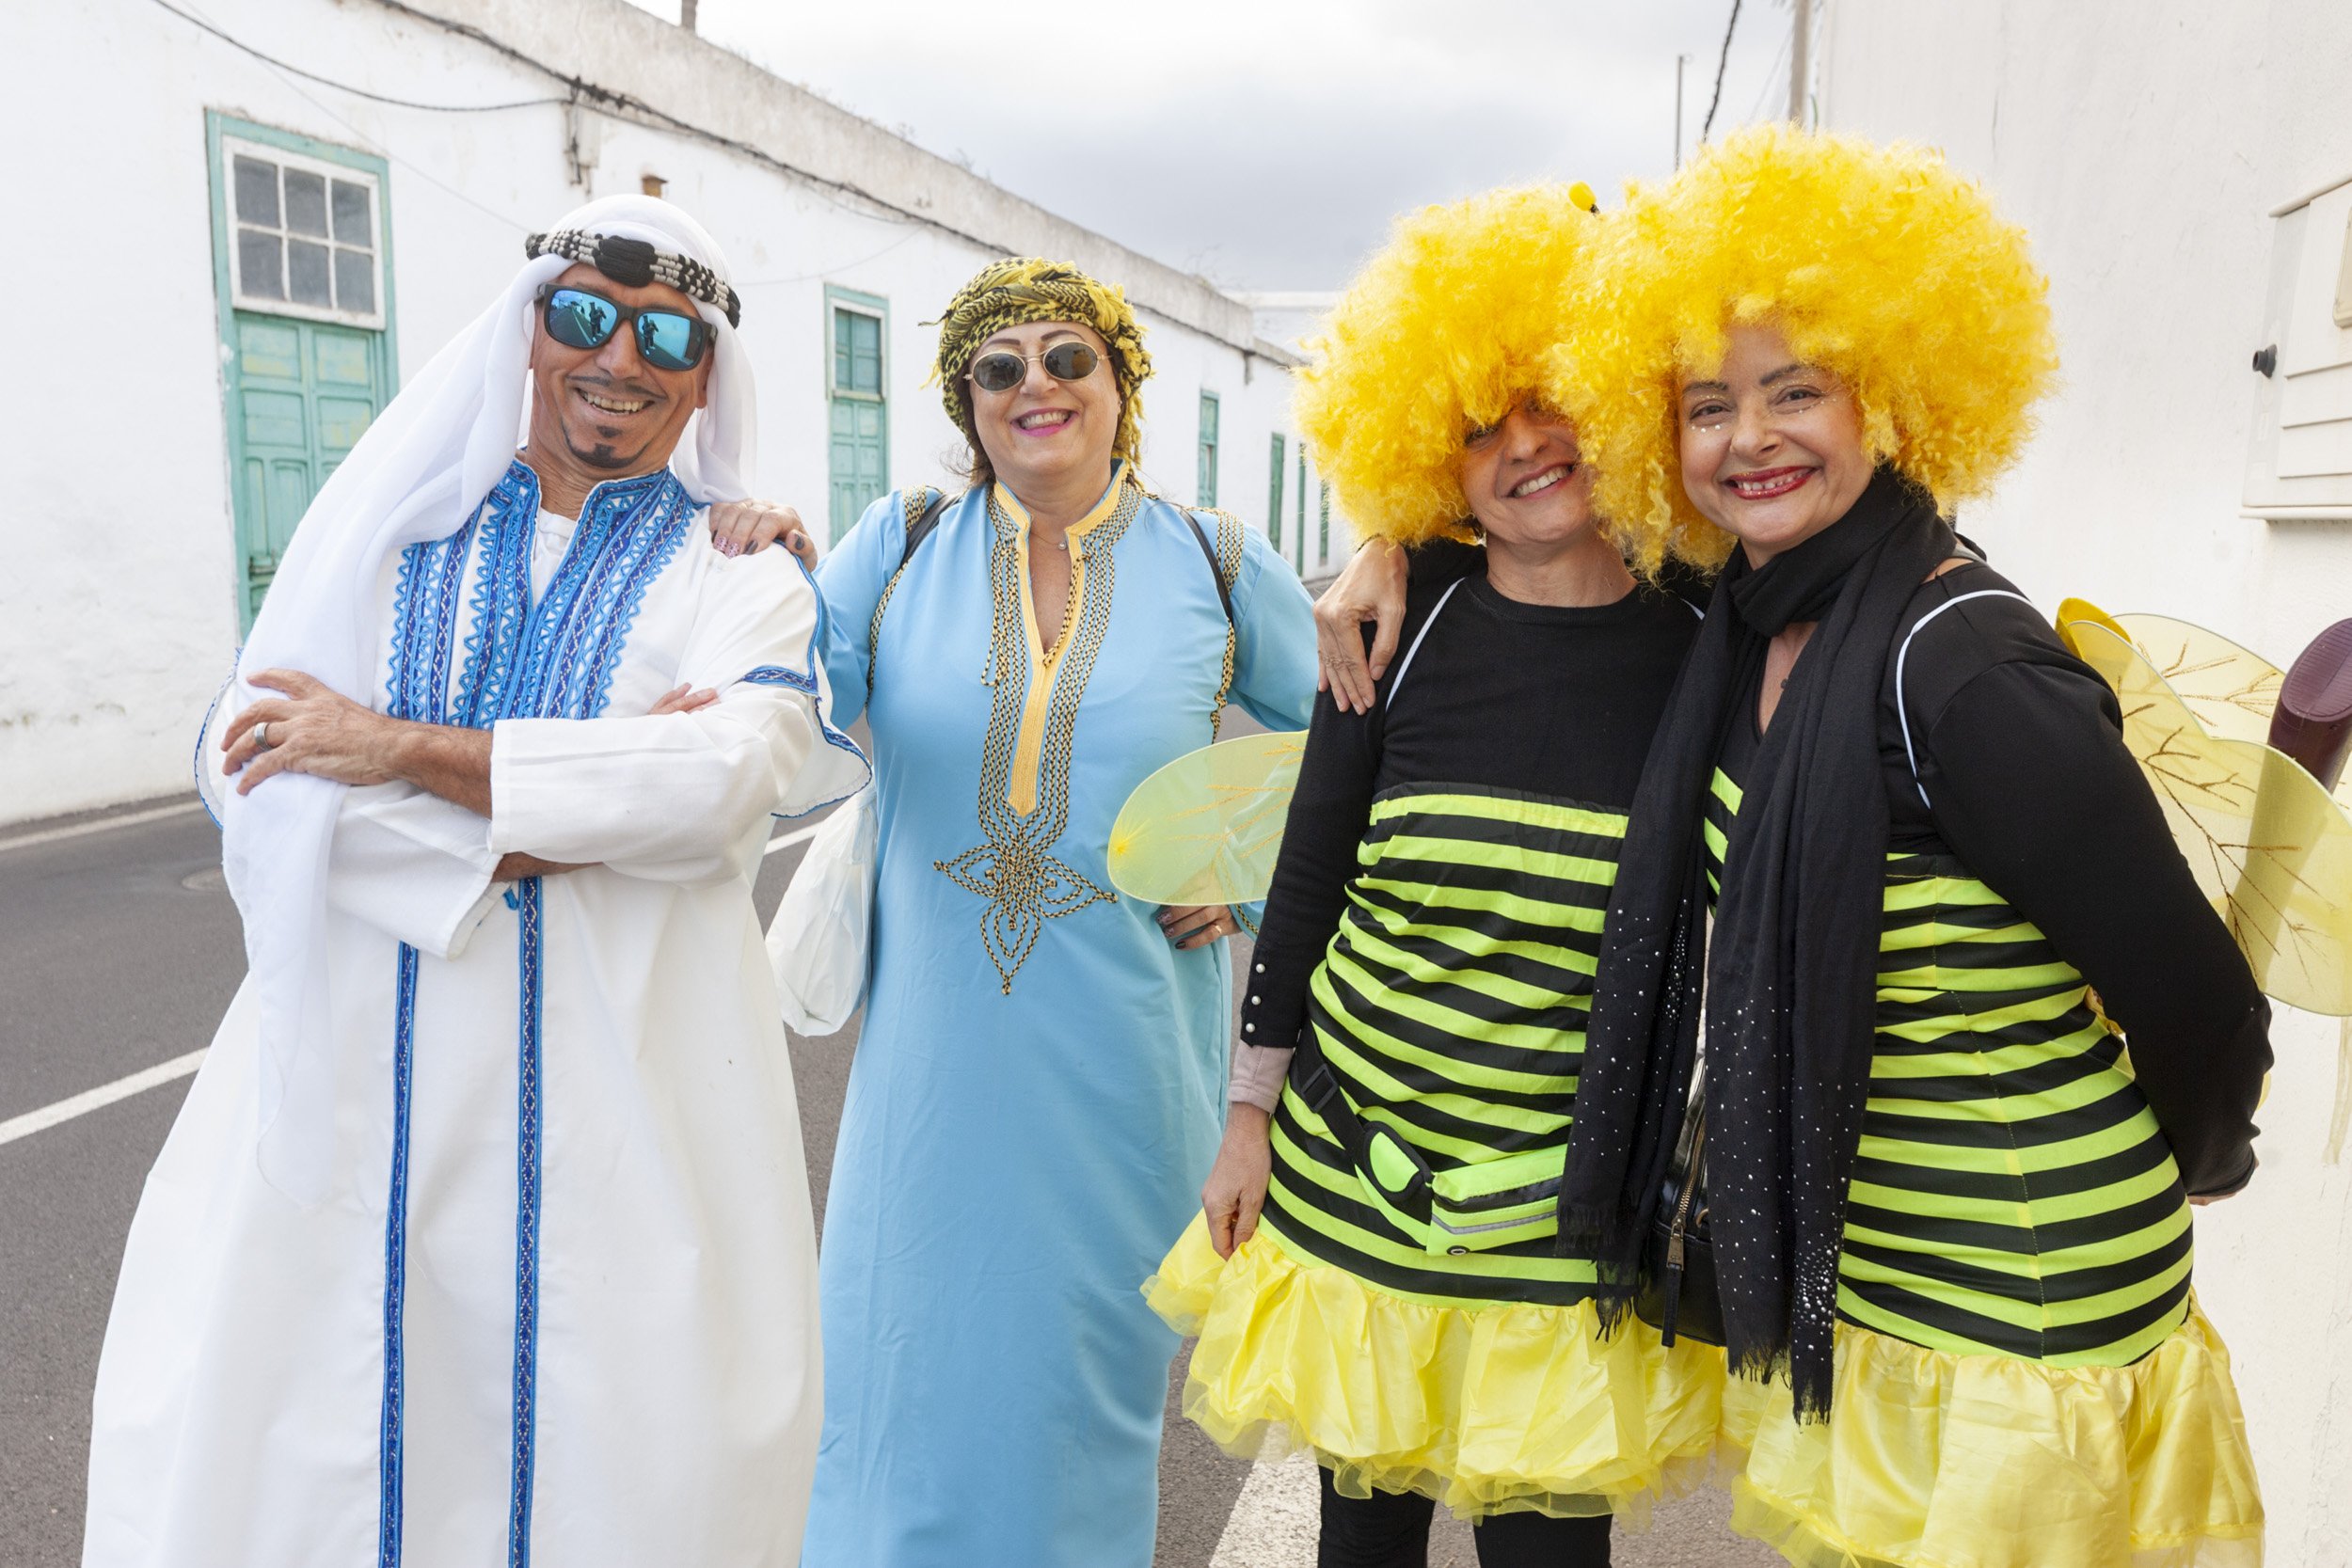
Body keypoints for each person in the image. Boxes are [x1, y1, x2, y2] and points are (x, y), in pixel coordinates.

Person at [1328, 127, 2272, 1568]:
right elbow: (1540, 539)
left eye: (1796, 392)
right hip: (1870, 1270)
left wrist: (2205, 1158)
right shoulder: (1754, 614)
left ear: (1892, 397)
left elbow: (2197, 998)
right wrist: (1393, 539)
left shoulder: (1963, 667)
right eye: (1706, 406)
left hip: (2020, 1292)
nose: (1747, 439)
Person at [82, 196, 867, 1567]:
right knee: (307, 1454)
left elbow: (724, 777)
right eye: (586, 317)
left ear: (707, 378)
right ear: (528, 330)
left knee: (617, 1470)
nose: (617, 359)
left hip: (624, 1113)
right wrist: (563, 807)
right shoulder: (390, 534)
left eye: (666, 337)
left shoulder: (739, 572)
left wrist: (392, 749)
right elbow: (246, 759)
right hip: (352, 1097)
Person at [1144, 186, 1723, 1568]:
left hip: (1563, 1197)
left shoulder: (1708, 636)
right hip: (1359, 1162)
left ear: (1617, 400)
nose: (1522, 445)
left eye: (1549, 400)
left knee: (1548, 1552)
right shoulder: (1395, 627)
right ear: (1428, 462)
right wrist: (1247, 1118)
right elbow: (1308, 880)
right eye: (1472, 426)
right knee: (1362, 1541)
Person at [798, 258, 1319, 1568]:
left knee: (1075, 1416)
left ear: (1121, 382)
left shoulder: (1214, 563)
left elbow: (1356, 750)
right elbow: (781, 711)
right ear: (966, 401)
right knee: (893, 1387)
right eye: (1000, 366)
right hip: (928, 1083)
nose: (1037, 385)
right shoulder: (899, 546)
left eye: (1068, 356)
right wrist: (740, 550)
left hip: (1120, 1076)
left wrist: (1238, 861)